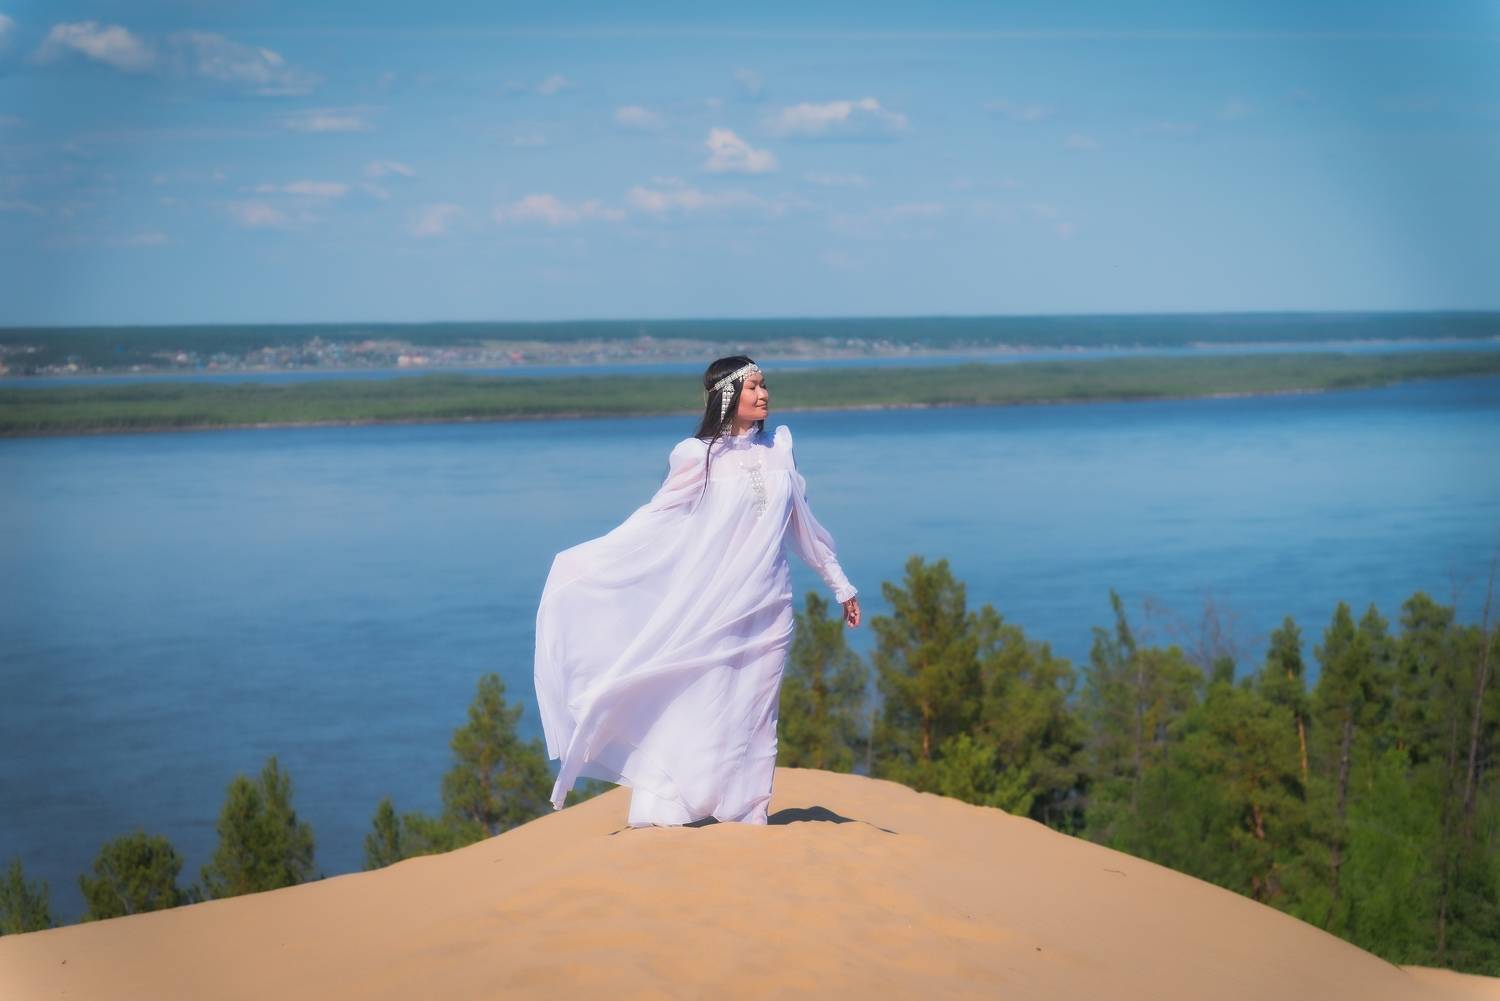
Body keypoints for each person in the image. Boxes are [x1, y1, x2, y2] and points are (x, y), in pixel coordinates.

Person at [533, 355, 861, 827]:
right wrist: (590, 561)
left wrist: (840, 585)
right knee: (706, 700)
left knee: (758, 711)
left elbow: (803, 528)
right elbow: (656, 519)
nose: (764, 394)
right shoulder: (695, 455)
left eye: (764, 384)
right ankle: (677, 803)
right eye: (753, 387)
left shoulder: (781, 449)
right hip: (715, 605)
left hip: (771, 604)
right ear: (728, 396)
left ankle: (749, 812)